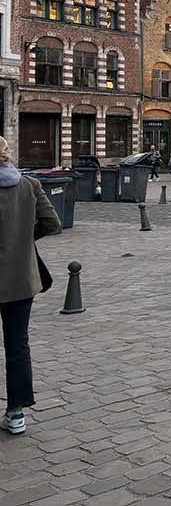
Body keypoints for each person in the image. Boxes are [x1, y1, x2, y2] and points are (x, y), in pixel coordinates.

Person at [0, 135, 63, 435]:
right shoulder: (30, 185)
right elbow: (53, 224)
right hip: (21, 280)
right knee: (17, 344)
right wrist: (25, 241)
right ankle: (16, 413)